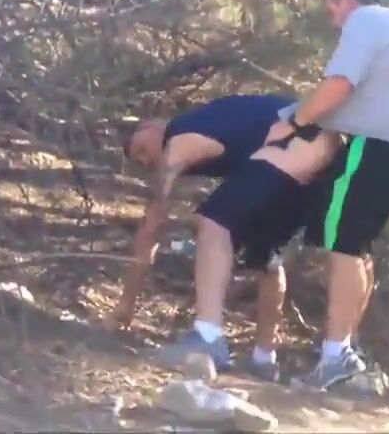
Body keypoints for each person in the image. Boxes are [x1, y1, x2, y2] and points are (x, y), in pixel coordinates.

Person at [267, 0, 389, 389]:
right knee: (358, 247)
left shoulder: (365, 20)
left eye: (332, 12)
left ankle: (335, 355)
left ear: (344, 0)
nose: (335, 22)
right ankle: (345, 352)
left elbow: (339, 84)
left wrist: (293, 122)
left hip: (375, 147)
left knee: (342, 244)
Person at [109, 93, 312, 382]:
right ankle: (264, 359)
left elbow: (152, 226)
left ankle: (207, 337)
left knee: (214, 222)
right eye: (140, 162)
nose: (145, 159)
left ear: (151, 125)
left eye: (141, 148)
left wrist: (127, 302)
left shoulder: (179, 135)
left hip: (289, 143)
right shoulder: (213, 122)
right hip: (317, 154)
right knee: (266, 253)